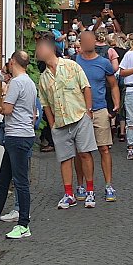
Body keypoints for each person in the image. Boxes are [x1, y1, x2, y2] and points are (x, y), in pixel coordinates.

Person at [0, 51, 38, 240]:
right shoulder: (30, 83)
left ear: (12, 62)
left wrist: (1, 100)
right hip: (23, 134)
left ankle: (24, 224)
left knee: (20, 182)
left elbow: (8, 109)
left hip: (16, 135)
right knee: (3, 180)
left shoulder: (16, 83)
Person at [35, 35, 98, 209]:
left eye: (39, 49)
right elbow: (45, 104)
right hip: (60, 123)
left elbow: (86, 87)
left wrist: (88, 111)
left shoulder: (71, 66)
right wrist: (52, 123)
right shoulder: (44, 78)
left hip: (79, 116)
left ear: (49, 49)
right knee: (65, 159)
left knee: (85, 153)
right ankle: (68, 194)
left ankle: (90, 191)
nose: (37, 53)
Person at [73, 30, 120, 202]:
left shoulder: (104, 63)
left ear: (95, 42)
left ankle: (108, 185)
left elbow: (113, 84)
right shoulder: (74, 62)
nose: (87, 43)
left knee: (104, 148)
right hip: (79, 111)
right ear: (80, 42)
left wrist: (116, 103)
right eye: (84, 40)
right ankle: (81, 185)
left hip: (100, 109)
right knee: (81, 151)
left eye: (90, 40)